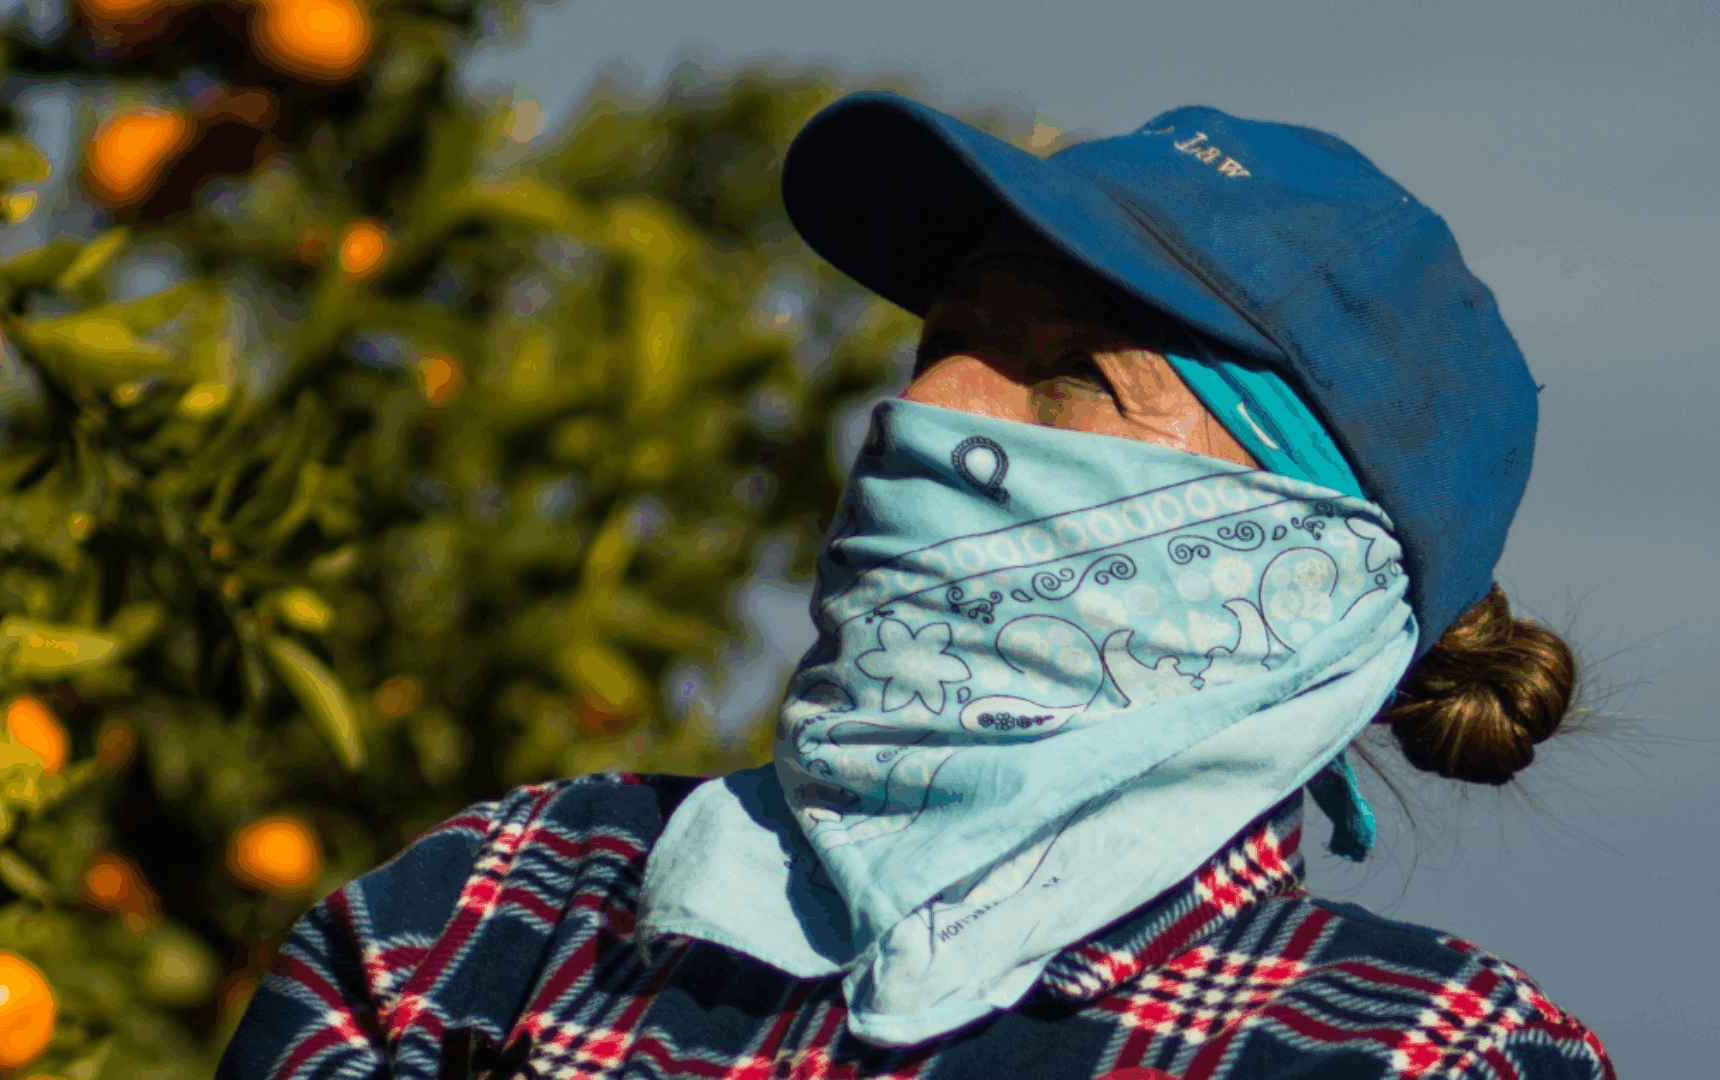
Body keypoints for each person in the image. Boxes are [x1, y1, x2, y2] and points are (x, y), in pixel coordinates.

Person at [218, 97, 1616, 1079]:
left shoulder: (1414, 1053)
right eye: (944, 338)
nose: (929, 410)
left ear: (1310, 571)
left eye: (1077, 373)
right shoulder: (487, 919)